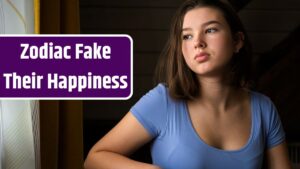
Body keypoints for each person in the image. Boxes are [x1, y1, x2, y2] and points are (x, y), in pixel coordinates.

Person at [84, 0, 292, 168]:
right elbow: (95, 158)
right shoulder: (162, 101)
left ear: (237, 41)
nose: (197, 42)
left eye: (210, 30)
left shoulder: (263, 108)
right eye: (187, 35)